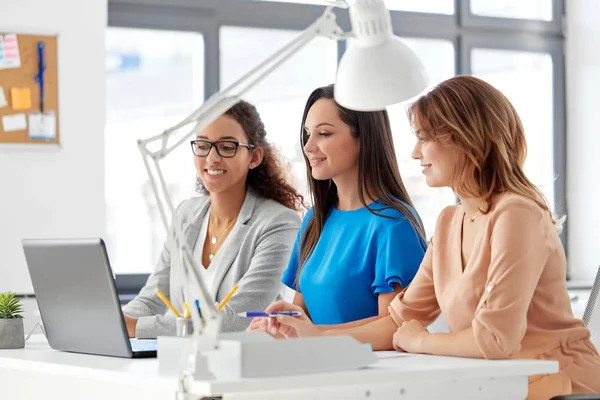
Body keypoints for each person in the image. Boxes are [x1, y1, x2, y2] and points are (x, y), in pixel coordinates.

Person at [258, 76, 600, 399]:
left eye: (425, 138)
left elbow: (494, 339)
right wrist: (316, 337)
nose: (415, 153)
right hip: (502, 384)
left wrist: (420, 341)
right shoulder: (450, 222)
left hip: (562, 385)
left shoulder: (517, 214)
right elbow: (398, 320)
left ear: (468, 139)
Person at [250, 84, 427, 332]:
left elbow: (395, 328)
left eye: (324, 134)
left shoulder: (393, 226)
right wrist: (281, 322)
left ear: (364, 138)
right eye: (307, 134)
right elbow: (305, 315)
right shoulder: (315, 220)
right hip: (320, 364)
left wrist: (316, 335)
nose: (308, 146)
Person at [122, 100, 303, 338]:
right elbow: (151, 299)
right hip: (181, 360)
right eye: (203, 145)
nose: (212, 158)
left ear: (254, 157)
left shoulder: (280, 223)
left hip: (246, 364)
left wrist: (137, 327)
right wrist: (115, 323)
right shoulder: (186, 215)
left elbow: (237, 317)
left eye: (227, 147)